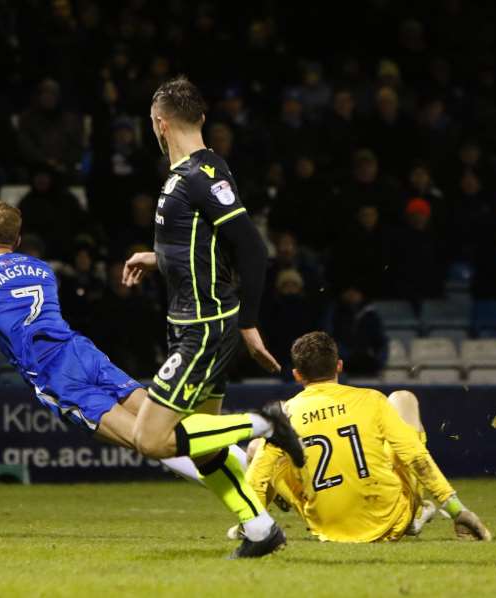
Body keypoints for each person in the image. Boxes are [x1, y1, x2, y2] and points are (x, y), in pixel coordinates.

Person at [0, 202, 292, 558]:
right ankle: (257, 519)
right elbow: (29, 318)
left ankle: (263, 425)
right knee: (165, 430)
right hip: (85, 353)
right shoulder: (40, 269)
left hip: (57, 376)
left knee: (146, 440)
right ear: (18, 241)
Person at [122, 77, 304, 558]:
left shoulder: (199, 176)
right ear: (199, 119)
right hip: (192, 320)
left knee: (150, 437)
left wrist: (248, 322)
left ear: (160, 124)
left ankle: (264, 426)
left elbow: (251, 245)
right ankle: (261, 530)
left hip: (204, 326)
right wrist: (156, 256)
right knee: (202, 447)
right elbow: (201, 247)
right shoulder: (200, 170)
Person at [240, 331, 492, 543]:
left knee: (256, 449)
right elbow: (414, 455)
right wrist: (457, 510)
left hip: (326, 526)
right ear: (339, 366)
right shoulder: (371, 400)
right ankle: (414, 513)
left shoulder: (285, 413)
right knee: (403, 399)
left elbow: (258, 476)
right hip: (390, 520)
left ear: (296, 374)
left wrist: (249, 524)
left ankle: (258, 522)